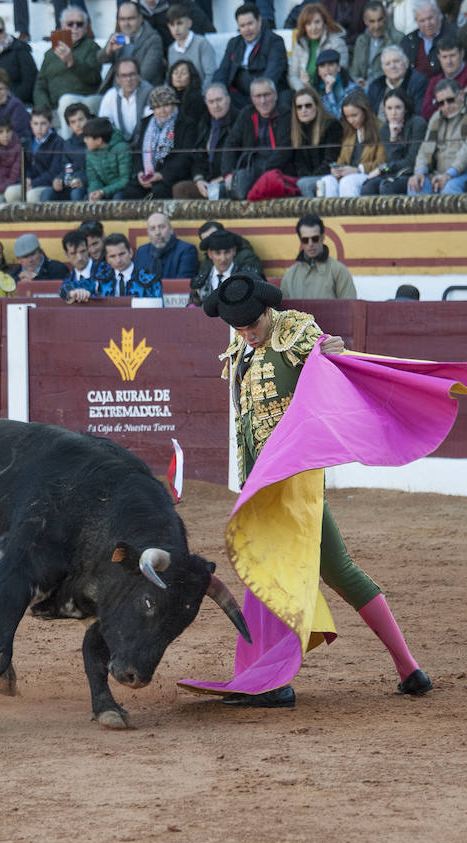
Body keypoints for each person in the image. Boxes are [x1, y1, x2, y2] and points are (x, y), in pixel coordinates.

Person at [201, 274, 433, 707]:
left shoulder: (296, 330)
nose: (249, 335)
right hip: (262, 481)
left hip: (294, 476)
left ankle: (270, 678)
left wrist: (336, 353)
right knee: (335, 569)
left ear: (268, 312)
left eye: (253, 325)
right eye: (240, 329)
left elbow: (334, 363)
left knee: (270, 567)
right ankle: (409, 668)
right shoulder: (240, 348)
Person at [119, 85, 202, 198]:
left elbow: (185, 157)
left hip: (172, 176)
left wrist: (161, 175)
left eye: (166, 105)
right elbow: (138, 153)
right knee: (130, 191)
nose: (162, 111)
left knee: (159, 190)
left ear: (174, 105)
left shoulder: (186, 124)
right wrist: (140, 173)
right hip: (148, 175)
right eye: (157, 107)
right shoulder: (146, 123)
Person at [408, 77, 467, 193]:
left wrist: (449, 174)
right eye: (441, 103)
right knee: (416, 186)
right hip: (437, 173)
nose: (446, 106)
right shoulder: (436, 117)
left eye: (450, 100)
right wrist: (419, 172)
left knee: (450, 188)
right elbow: (424, 149)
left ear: (461, 95)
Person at [221, 78, 293, 199]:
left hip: (278, 172)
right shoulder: (246, 114)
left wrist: (263, 174)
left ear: (275, 95)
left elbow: (284, 150)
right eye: (258, 96)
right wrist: (228, 174)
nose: (263, 101)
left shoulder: (285, 114)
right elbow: (231, 143)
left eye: (266, 95)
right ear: (252, 98)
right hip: (250, 171)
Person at [212, 4, 290, 108]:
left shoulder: (274, 41)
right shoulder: (234, 43)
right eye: (242, 26)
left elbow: (272, 73)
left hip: (265, 93)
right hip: (239, 95)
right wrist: (217, 91)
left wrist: (257, 94)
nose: (247, 29)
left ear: (259, 21)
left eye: (250, 24)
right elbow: (223, 70)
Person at [34, 8, 102, 117]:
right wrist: (44, 107)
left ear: (85, 28)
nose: (75, 27)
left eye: (79, 24)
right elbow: (40, 84)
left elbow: (94, 77)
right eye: (70, 24)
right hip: (54, 107)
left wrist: (72, 62)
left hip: (83, 102)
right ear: (62, 26)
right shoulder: (51, 53)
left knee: (67, 101)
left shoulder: (92, 47)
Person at [281, 214, 357, 298]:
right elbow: (282, 309)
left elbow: (350, 307)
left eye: (315, 239)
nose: (310, 244)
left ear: (322, 238)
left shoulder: (339, 271)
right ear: (300, 241)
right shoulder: (290, 275)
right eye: (305, 240)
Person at [190, 222, 265, 305]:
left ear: (234, 251)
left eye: (227, 252)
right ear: (210, 254)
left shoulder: (248, 277)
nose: (223, 259)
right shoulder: (201, 281)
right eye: (218, 253)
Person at [101, 2, 166, 90]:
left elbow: (146, 74)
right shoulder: (117, 37)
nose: (126, 23)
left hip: (143, 92)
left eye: (130, 18)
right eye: (122, 19)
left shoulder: (153, 39)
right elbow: (100, 60)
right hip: (115, 91)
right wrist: (109, 50)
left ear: (141, 18)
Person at [374, 87, 428, 193]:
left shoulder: (418, 123)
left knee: (388, 186)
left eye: (398, 107)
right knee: (369, 186)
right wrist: (393, 136)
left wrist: (381, 168)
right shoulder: (385, 129)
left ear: (406, 108)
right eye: (389, 108)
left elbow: (411, 162)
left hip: (413, 173)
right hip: (393, 173)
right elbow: (392, 160)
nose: (393, 113)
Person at [289, 4, 351, 92]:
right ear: (304, 26)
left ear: (324, 22)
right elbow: (293, 75)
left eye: (317, 22)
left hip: (330, 90)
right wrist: (303, 89)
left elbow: (341, 72)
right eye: (308, 24)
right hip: (305, 92)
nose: (313, 28)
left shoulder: (337, 43)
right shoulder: (300, 44)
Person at [420, 37, 467, 118]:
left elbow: (465, 104)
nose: (449, 61)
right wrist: (454, 99)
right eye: (444, 57)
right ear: (439, 58)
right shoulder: (434, 81)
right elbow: (425, 112)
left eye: (452, 55)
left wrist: (437, 102)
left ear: (462, 54)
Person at [400, 0, 457, 81]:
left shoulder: (455, 34)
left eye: (430, 18)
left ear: (438, 15)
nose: (427, 24)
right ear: (416, 21)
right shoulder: (408, 41)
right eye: (422, 21)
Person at [98, 59, 152, 141]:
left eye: (132, 74)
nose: (128, 79)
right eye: (124, 75)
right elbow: (104, 123)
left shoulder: (149, 93)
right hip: (118, 145)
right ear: (117, 79)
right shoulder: (111, 95)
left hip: (144, 143)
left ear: (139, 76)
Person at [132, 213, 198, 280]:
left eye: (161, 227)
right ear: (148, 233)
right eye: (152, 228)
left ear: (171, 230)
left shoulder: (186, 250)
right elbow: (135, 282)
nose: (157, 232)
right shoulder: (141, 252)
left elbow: (182, 285)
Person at [351, 1, 402, 87]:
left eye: (380, 20)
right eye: (372, 21)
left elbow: (398, 71)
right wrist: (357, 81)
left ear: (385, 18)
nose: (377, 26)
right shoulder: (361, 41)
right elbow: (354, 72)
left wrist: (371, 83)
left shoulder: (397, 39)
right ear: (365, 21)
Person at [366, 45, 428, 115]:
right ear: (383, 68)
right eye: (387, 64)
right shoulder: (375, 86)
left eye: (396, 61)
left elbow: (418, 114)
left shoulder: (418, 82)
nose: (392, 66)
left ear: (406, 63)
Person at [80, 117, 130, 201]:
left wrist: (103, 192)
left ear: (99, 140)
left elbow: (125, 180)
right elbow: (93, 179)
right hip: (103, 190)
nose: (84, 141)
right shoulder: (90, 152)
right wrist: (94, 192)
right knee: (87, 200)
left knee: (118, 198)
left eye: (87, 138)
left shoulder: (122, 148)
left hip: (123, 190)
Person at [59, 229, 116, 302]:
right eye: (73, 253)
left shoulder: (105, 268)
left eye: (82, 251)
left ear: (88, 249)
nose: (79, 258)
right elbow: (63, 290)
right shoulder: (69, 278)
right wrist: (72, 293)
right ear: (66, 254)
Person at [166, 4, 218, 83]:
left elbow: (211, 74)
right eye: (172, 25)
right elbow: (171, 78)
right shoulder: (171, 49)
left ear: (189, 23)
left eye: (180, 23)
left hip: (202, 91)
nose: (176, 29)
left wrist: (203, 93)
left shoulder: (201, 43)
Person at [23, 108, 66, 202]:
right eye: (35, 124)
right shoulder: (27, 141)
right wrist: (26, 179)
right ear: (31, 124)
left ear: (51, 124)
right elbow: (24, 166)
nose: (39, 128)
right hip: (29, 183)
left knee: (32, 195)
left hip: (47, 185)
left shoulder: (58, 143)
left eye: (43, 123)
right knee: (11, 192)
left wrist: (33, 183)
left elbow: (54, 172)